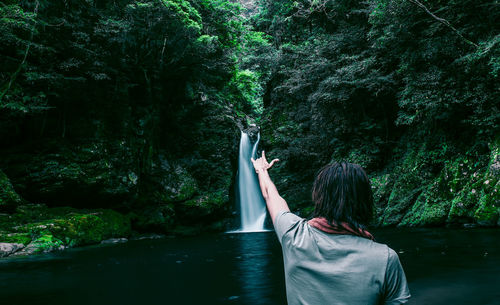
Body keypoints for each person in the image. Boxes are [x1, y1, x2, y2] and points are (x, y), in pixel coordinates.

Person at [251, 151, 411, 305]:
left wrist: (262, 171)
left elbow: (270, 195)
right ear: (365, 201)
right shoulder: (385, 259)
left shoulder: (294, 235)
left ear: (319, 197)